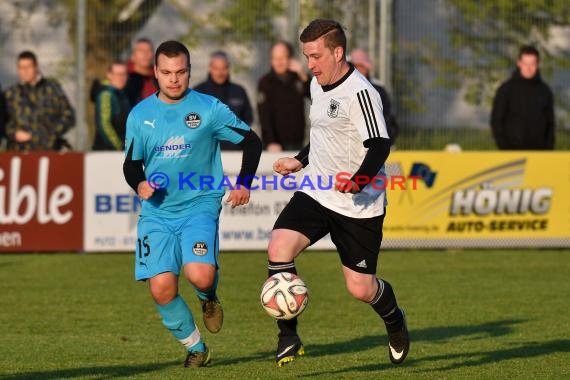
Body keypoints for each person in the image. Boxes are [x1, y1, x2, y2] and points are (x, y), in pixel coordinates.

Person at [266, 19, 409, 367]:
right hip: (317, 191)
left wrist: (358, 181)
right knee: (278, 246)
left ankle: (394, 319)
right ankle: (288, 336)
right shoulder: (318, 84)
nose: (310, 65)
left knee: (360, 288)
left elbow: (379, 145)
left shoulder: (361, 92)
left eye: (315, 56)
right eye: (306, 56)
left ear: (338, 52)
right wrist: (300, 161)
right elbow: (322, 134)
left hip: (359, 205)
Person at [123, 40, 262, 368]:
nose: (174, 79)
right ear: (155, 73)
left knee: (199, 275)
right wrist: (139, 183)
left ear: (189, 72)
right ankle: (197, 347)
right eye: (167, 72)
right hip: (157, 211)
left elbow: (252, 142)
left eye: (181, 72)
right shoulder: (140, 115)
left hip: (200, 203)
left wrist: (243, 184)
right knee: (161, 289)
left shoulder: (209, 108)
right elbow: (131, 164)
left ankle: (208, 297)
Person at [3, 51, 75, 151]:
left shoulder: (52, 89)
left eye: (28, 67)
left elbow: (68, 115)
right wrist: (14, 133)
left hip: (50, 150)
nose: (24, 71)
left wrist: (52, 133)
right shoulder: (10, 94)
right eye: (21, 68)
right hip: (20, 152)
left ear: (36, 67)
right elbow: (3, 122)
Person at [491, 45, 555, 150]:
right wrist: (505, 148)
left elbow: (550, 123)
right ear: (519, 63)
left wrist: (548, 149)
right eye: (526, 64)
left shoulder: (544, 91)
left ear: (538, 64)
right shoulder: (506, 90)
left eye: (532, 64)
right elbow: (496, 121)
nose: (529, 68)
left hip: (540, 153)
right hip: (512, 153)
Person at [195, 51, 254, 150]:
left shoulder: (239, 91)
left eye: (224, 68)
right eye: (216, 68)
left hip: (236, 150)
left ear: (228, 68)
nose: (220, 72)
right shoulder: (199, 92)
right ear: (210, 68)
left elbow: (248, 118)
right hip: (207, 150)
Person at [257, 40, 310, 152]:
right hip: (275, 146)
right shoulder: (265, 82)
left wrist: (303, 76)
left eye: (282, 58)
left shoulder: (298, 79)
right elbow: (264, 115)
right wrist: (271, 141)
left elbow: (315, 96)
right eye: (275, 58)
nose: (279, 62)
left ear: (290, 58)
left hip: (297, 143)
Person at [350, 48, 399, 146]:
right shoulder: (343, 88)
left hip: (374, 143)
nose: (361, 70)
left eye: (362, 66)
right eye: (357, 66)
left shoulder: (378, 89)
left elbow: (386, 116)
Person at [92, 61, 131, 150]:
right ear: (109, 75)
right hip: (106, 152)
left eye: (124, 74)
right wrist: (119, 146)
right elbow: (104, 124)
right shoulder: (106, 95)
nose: (121, 78)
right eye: (118, 74)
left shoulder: (122, 95)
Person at [125, 38, 158, 106]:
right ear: (133, 56)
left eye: (149, 50)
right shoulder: (124, 77)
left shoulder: (159, 76)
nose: (145, 54)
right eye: (141, 50)